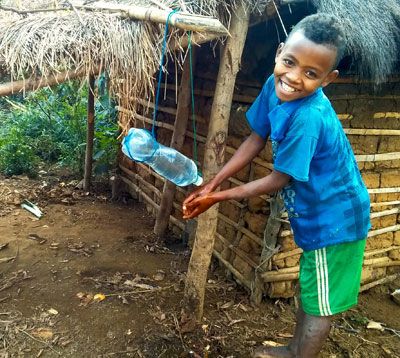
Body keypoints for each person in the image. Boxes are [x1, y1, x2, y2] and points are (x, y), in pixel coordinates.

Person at [182, 13, 371, 358]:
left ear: (329, 79)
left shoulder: (308, 118)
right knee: (311, 290)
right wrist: (214, 182)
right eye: (290, 62)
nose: (294, 77)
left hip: (337, 221)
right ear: (279, 53)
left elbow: (277, 179)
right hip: (317, 214)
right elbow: (256, 138)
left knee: (319, 304)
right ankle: (293, 350)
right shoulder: (275, 87)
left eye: (311, 74)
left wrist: (217, 197)